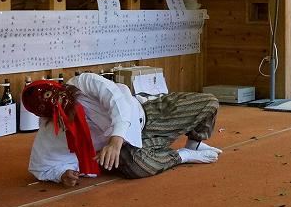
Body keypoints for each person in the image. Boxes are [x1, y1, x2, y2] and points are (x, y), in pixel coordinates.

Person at [24, 73, 221, 186]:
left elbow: (117, 101)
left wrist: (115, 140)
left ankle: (194, 145)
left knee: (208, 102)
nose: (64, 105)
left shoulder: (84, 82)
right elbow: (39, 166)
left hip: (147, 115)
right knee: (138, 167)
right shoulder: (51, 129)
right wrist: (61, 174)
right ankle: (184, 156)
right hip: (127, 151)